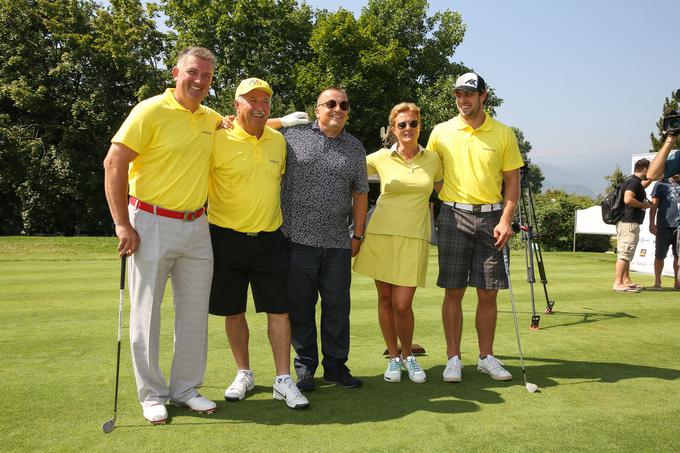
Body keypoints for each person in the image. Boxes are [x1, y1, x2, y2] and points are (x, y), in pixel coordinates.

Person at [103, 47, 221, 424]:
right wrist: (123, 224)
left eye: (206, 76)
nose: (199, 81)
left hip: (197, 226)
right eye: (192, 73)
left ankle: (185, 388)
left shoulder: (209, 117)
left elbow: (244, 125)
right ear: (175, 72)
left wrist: (281, 120)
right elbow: (114, 162)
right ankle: (152, 394)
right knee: (146, 313)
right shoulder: (149, 109)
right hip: (149, 221)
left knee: (193, 314)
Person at [207, 78, 309, 410]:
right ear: (236, 105)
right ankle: (244, 373)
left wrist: (278, 121)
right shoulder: (216, 137)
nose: (260, 106)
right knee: (233, 310)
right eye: (252, 100)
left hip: (269, 238)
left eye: (265, 101)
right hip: (225, 238)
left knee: (279, 311)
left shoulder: (278, 142)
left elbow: (267, 128)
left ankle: (282, 380)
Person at [426, 72, 523, 383]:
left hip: (493, 219)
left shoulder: (504, 133)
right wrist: (447, 196)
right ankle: (453, 358)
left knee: (488, 293)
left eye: (469, 94)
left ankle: (486, 357)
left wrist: (506, 219)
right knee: (453, 291)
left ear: (483, 96)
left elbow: (512, 182)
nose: (462, 100)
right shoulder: (441, 131)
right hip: (453, 217)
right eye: (458, 94)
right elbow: (432, 171)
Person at [277, 87, 369, 391]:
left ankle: (335, 367)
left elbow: (360, 193)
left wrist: (358, 233)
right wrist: (282, 121)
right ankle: (305, 370)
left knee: (337, 308)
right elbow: (250, 126)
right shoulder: (293, 136)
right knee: (301, 309)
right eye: (330, 104)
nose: (337, 109)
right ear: (317, 109)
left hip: (337, 245)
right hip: (297, 241)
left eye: (343, 104)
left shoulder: (354, 147)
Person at [353, 103, 442, 383]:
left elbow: (447, 188)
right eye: (401, 125)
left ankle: (408, 356)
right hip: (381, 234)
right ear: (393, 129)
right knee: (385, 299)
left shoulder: (433, 159)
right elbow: (347, 169)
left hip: (414, 237)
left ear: (420, 125)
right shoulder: (379, 157)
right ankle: (394, 357)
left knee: (402, 304)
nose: (407, 129)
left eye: (412, 123)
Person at [613, 159, 653, 292]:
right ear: (645, 169)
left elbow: (641, 186)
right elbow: (628, 199)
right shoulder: (634, 182)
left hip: (627, 222)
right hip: (628, 222)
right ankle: (618, 283)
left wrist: (652, 178)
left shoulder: (633, 181)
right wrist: (645, 205)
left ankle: (626, 280)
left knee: (627, 253)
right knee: (625, 253)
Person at [649, 174, 680, 290]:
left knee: (678, 256)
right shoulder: (661, 184)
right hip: (664, 226)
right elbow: (654, 206)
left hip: (679, 226)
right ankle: (657, 282)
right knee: (660, 255)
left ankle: (677, 283)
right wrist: (652, 223)